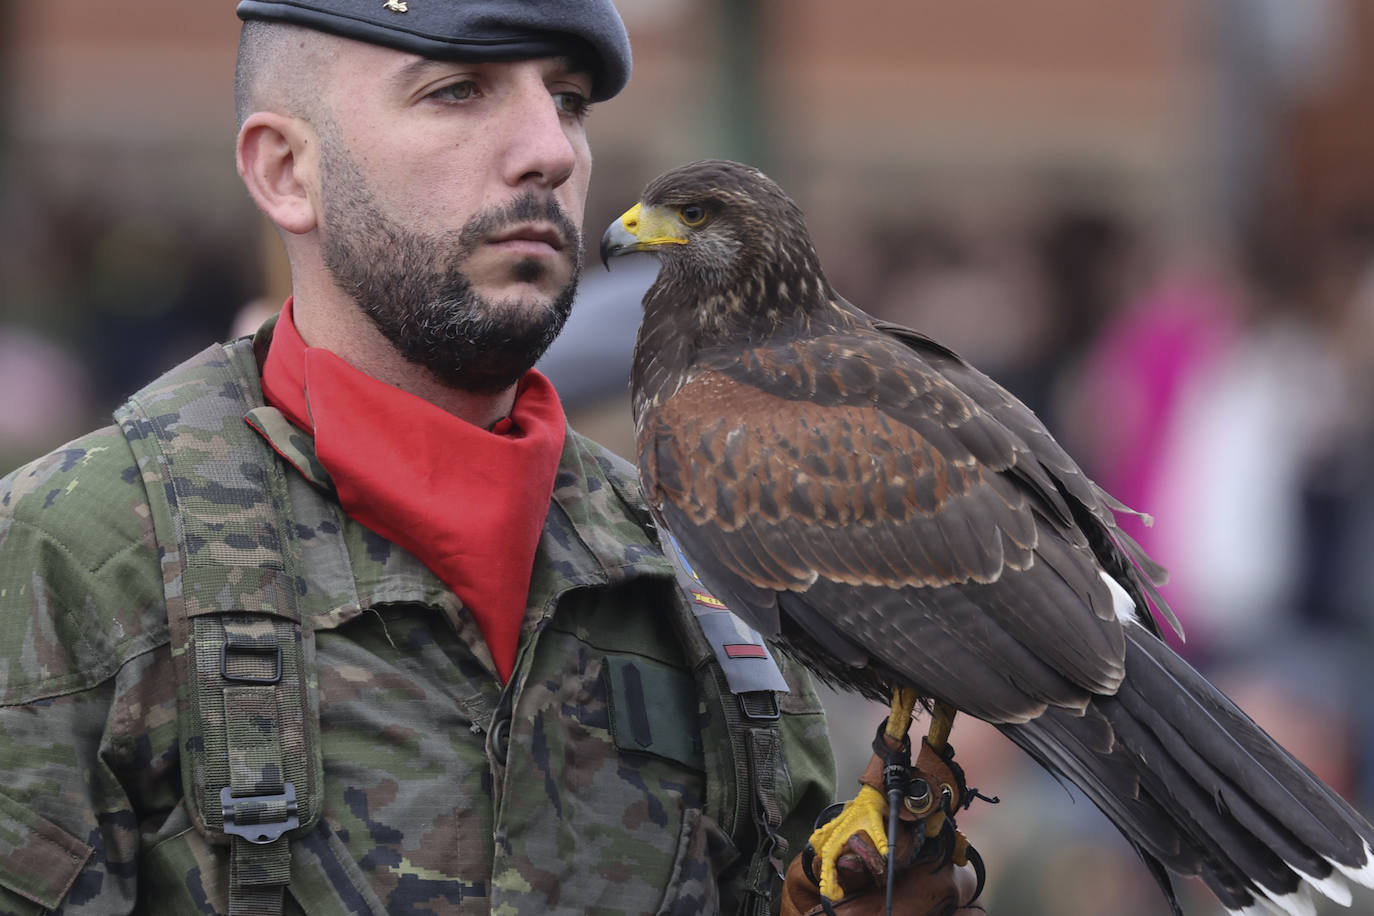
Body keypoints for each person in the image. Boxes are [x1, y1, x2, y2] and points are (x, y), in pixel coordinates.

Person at [0, 2, 979, 913]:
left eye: (567, 100)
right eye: (457, 91)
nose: (549, 150)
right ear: (287, 172)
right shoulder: (73, 556)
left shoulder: (703, 558)